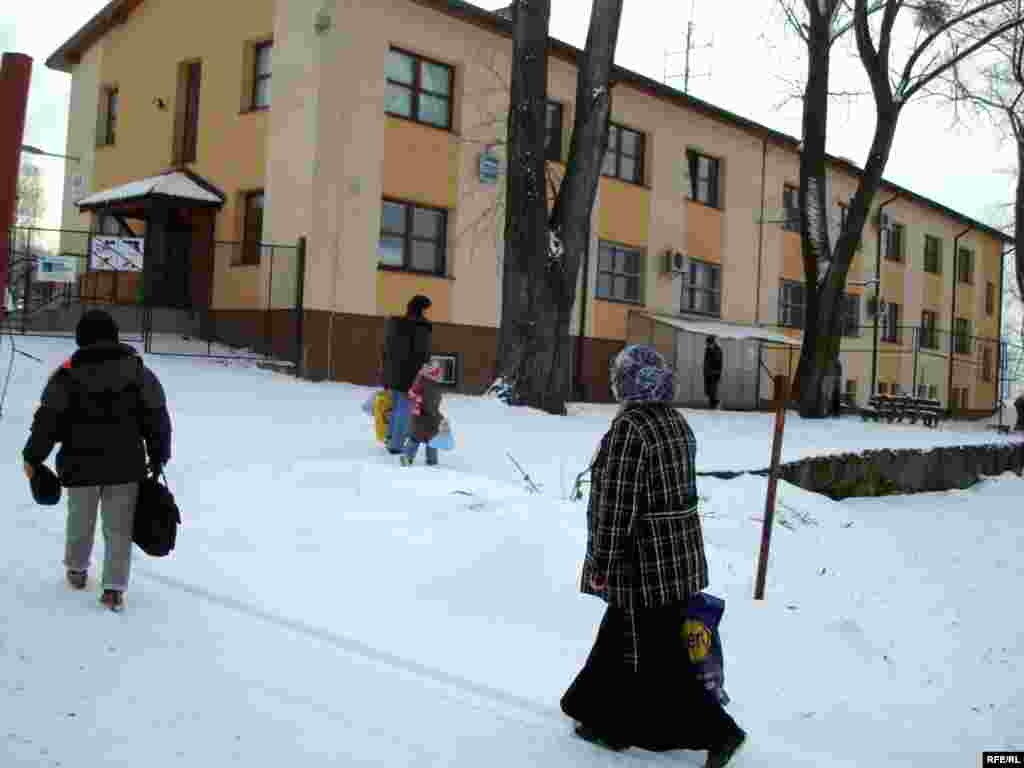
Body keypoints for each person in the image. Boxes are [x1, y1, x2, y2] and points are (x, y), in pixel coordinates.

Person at [561, 344, 746, 768]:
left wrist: (602, 564)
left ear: (624, 384)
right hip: (676, 561)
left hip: (642, 566)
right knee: (623, 641)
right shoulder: (676, 422)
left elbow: (614, 507)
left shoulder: (629, 430)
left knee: (653, 656)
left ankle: (718, 732)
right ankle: (595, 712)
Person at [22, 309, 172, 612]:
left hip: (79, 467)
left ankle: (76, 569)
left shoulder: (67, 375)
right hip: (125, 466)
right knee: (119, 528)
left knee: (80, 519)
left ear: (81, 339)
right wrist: (159, 454)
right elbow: (156, 416)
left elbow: (48, 420)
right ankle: (114, 589)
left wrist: (33, 456)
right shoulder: (138, 372)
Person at [381, 295, 433, 454]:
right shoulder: (420, 327)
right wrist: (424, 373)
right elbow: (421, 354)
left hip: (393, 372)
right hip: (409, 375)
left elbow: (386, 350)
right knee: (404, 408)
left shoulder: (395, 324)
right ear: (421, 309)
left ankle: (390, 438)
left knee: (396, 406)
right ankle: (396, 444)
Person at [400, 362, 445, 467]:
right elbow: (430, 403)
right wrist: (437, 416)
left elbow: (412, 395)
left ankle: (407, 458)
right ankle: (432, 461)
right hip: (428, 417)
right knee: (432, 440)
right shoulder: (431, 386)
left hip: (417, 416)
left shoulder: (420, 380)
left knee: (414, 438)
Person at [704, 336, 724, 409]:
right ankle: (712, 405)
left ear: (712, 343)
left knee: (713, 392)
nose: (707, 345)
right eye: (707, 344)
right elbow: (706, 362)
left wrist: (717, 374)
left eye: (708, 344)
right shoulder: (708, 350)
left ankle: (716, 405)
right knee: (708, 391)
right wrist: (705, 372)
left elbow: (718, 363)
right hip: (708, 374)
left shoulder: (718, 350)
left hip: (714, 374)